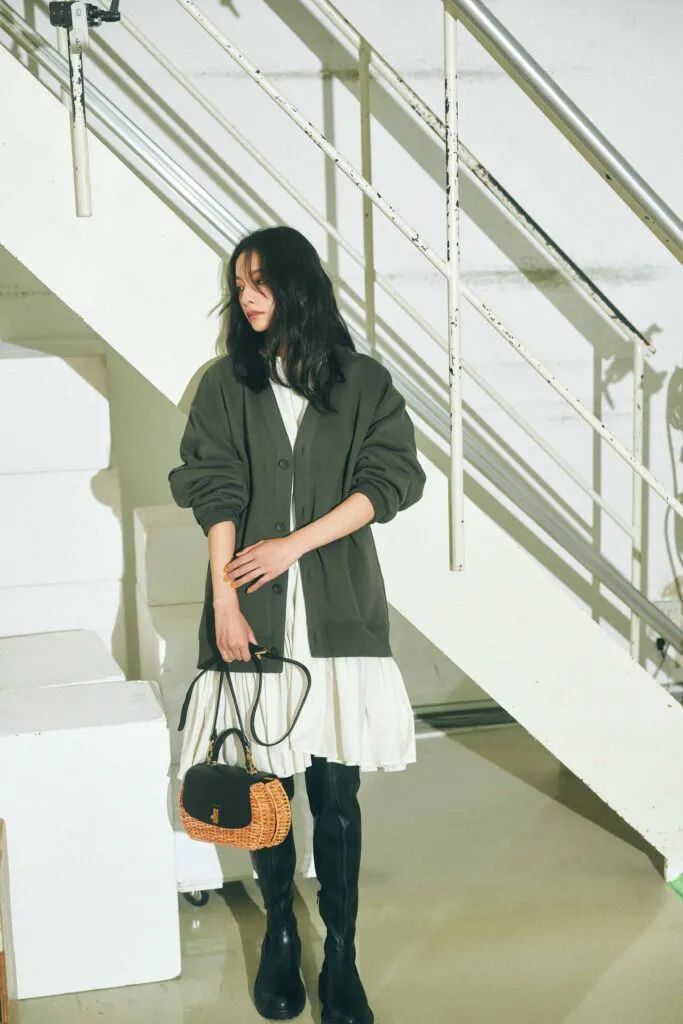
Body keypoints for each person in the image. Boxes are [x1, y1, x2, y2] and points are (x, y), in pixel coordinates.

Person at [168, 225, 426, 1024]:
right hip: (255, 615)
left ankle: (340, 954)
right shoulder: (224, 384)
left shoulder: (362, 382)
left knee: (337, 790)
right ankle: (282, 929)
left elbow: (390, 480)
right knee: (266, 783)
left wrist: (292, 546)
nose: (247, 297)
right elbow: (213, 490)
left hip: (339, 613)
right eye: (239, 284)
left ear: (297, 287)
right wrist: (224, 601)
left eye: (261, 283)